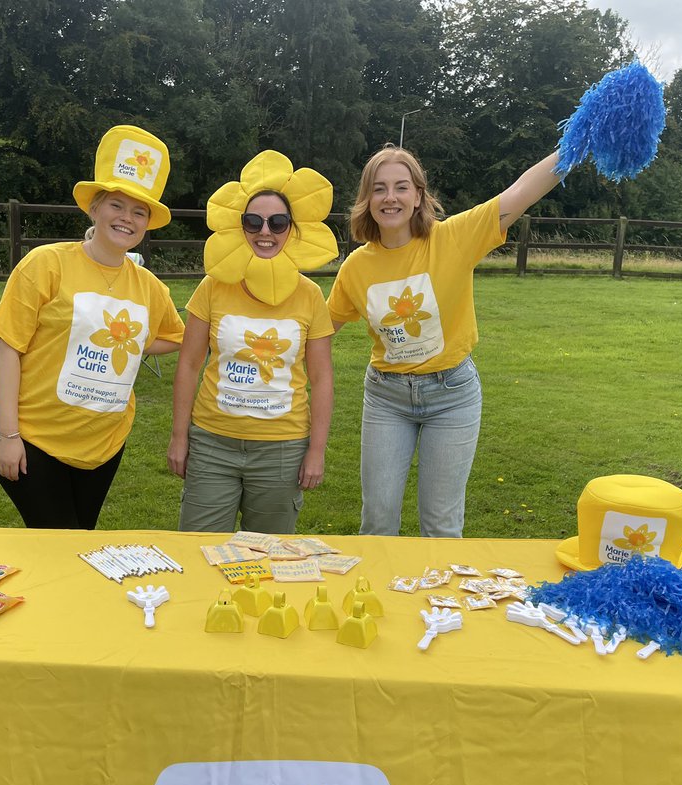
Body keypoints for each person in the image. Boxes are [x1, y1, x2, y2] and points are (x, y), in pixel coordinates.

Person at [327, 144, 563, 538]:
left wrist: (578, 141)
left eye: (401, 187)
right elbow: (317, 330)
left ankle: (434, 602)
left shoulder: (454, 238)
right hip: (387, 398)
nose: (390, 198)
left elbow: (522, 191)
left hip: (452, 396)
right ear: (366, 200)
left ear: (418, 195)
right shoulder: (355, 268)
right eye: (379, 189)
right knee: (378, 520)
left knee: (441, 525)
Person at [0, 124, 184, 528]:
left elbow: (173, 336)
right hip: (33, 435)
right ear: (94, 208)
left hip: (103, 443)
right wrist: (8, 436)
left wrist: (127, 343)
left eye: (139, 211)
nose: (127, 218)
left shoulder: (149, 287)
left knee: (81, 538)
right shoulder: (47, 264)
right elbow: (6, 346)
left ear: (147, 223)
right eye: (116, 205)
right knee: (60, 541)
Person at [168, 150, 338, 534]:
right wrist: (180, 437)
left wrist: (315, 451)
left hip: (282, 448)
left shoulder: (310, 296)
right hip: (212, 444)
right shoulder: (213, 286)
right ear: (239, 226)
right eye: (253, 221)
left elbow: (322, 377)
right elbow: (189, 364)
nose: (265, 232)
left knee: (271, 558)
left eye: (277, 223)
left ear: (292, 229)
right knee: (199, 551)